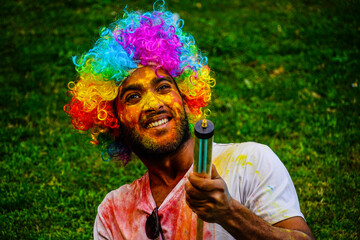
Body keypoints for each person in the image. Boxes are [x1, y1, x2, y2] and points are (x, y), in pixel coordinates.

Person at [64, 1, 314, 239]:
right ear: (113, 123)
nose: (154, 104)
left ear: (184, 98)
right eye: (133, 96)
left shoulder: (250, 164)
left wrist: (230, 213)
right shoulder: (113, 214)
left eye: (163, 87)